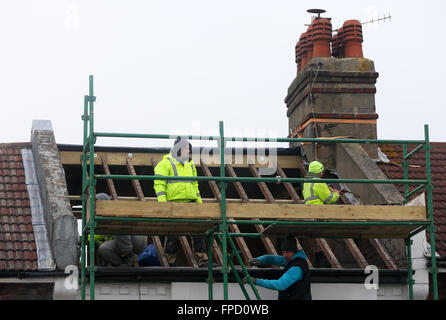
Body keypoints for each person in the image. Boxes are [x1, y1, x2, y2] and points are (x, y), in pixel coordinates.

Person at [153, 137, 208, 267]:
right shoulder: (165, 163)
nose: (188, 151)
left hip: (191, 202)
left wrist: (199, 203)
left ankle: (202, 260)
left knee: (198, 231)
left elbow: (195, 185)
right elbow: (159, 184)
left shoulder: (190, 164)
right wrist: (163, 202)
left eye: (188, 149)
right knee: (173, 233)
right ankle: (169, 261)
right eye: (185, 149)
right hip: (174, 203)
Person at [243, 235, 312, 300]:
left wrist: (256, 281)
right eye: (283, 252)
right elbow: (273, 259)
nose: (284, 255)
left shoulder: (297, 268)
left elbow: (280, 285)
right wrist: (260, 260)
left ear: (294, 252)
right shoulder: (291, 260)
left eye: (287, 252)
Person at [95, 193, 148, 267]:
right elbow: (104, 234)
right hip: (127, 244)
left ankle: (129, 257)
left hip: (137, 240)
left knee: (118, 225)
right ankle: (122, 264)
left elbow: (122, 228)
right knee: (103, 249)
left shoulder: (116, 211)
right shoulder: (104, 216)